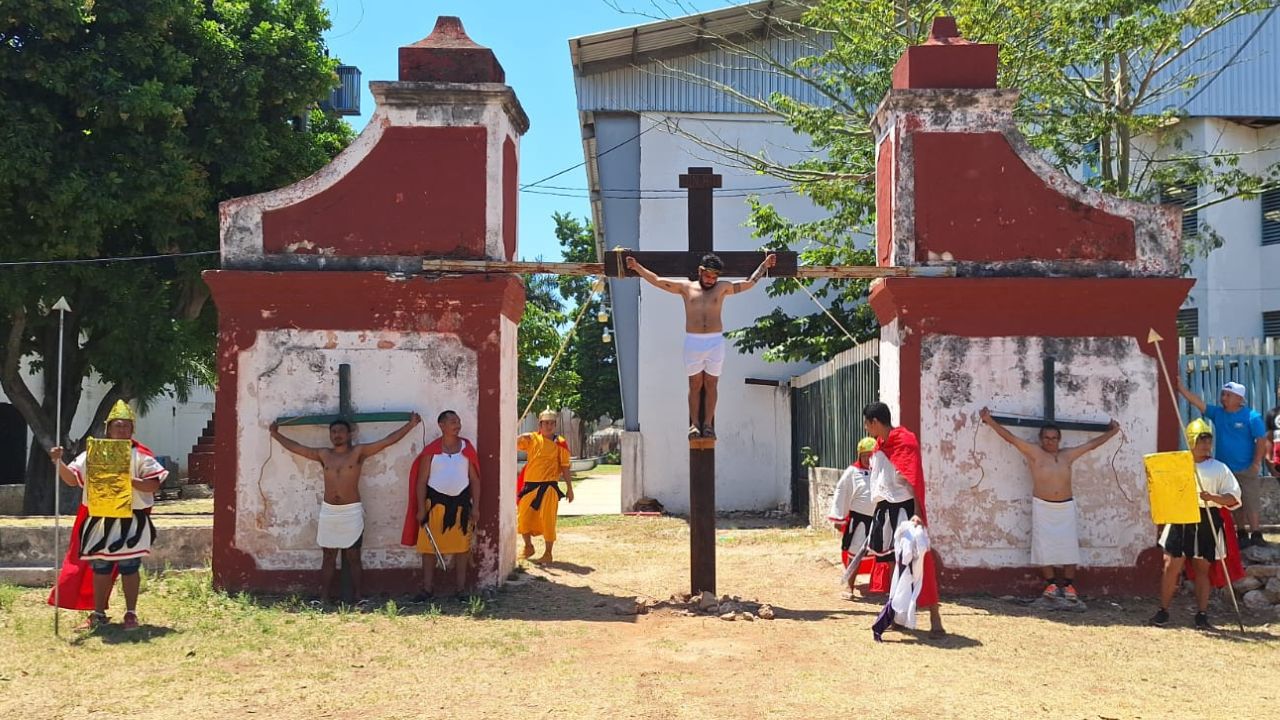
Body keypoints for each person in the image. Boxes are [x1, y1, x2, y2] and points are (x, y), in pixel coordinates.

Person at [270, 413, 421, 605]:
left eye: (341, 431)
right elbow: (298, 448)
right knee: (328, 556)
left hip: (351, 511)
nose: (337, 435)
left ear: (349, 435)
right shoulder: (324, 455)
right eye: (333, 432)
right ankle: (324, 597)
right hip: (329, 512)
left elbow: (387, 441)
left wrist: (411, 425)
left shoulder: (358, 452)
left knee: (353, 556)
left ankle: (358, 597)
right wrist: (275, 434)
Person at [625, 252, 777, 440]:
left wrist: (765, 265)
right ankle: (694, 424)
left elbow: (749, 283)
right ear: (700, 271)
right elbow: (658, 281)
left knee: (712, 383)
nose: (711, 280)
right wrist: (636, 267)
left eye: (714, 277)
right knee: (695, 384)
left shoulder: (722, 288)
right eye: (708, 275)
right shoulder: (686, 288)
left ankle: (708, 425)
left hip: (715, 342)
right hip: (693, 341)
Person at [48, 400, 168, 631]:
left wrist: (127, 479)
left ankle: (131, 614)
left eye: (126, 426)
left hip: (131, 520)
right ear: (109, 429)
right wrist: (58, 461)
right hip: (100, 520)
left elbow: (153, 486)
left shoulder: (140, 456)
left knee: (129, 566)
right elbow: (73, 480)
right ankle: (98, 613)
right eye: (117, 426)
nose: (122, 430)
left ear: (132, 429)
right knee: (100, 567)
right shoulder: (93, 454)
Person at [979, 408, 1121, 600]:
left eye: (1054, 438)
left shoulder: (1067, 455)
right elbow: (1010, 438)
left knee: (1069, 547)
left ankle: (1069, 586)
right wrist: (989, 420)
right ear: (1041, 438)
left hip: (1066, 507)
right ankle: (1051, 585)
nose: (1050, 441)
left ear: (1059, 439)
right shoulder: (1034, 453)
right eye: (1046, 437)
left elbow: (1092, 445)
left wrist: (1113, 431)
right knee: (1043, 547)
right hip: (1043, 506)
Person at [862, 402, 945, 637]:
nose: (867, 428)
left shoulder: (904, 442)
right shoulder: (880, 445)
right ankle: (897, 615)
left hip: (906, 512)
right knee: (892, 566)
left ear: (875, 422)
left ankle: (935, 619)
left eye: (867, 424)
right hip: (886, 512)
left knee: (919, 565)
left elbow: (914, 480)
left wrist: (917, 513)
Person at [1149, 422, 1242, 630]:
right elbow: (1162, 488)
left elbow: (1233, 497)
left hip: (1206, 516)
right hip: (1181, 516)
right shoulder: (1178, 464)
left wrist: (1214, 497)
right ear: (1191, 440)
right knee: (1171, 566)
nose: (1205, 444)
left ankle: (1201, 614)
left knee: (1202, 569)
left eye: (1208, 440)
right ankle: (1163, 611)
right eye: (1201, 440)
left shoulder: (1219, 468)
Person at [1178, 380, 1268, 548]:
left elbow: (1261, 440)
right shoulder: (1218, 413)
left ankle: (1256, 533)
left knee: (1251, 501)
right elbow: (1199, 403)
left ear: (1239, 399)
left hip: (1246, 468)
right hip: (1225, 469)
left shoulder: (1252, 416)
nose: (1223, 398)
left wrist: (1256, 464)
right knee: (1234, 502)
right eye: (1223, 394)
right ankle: (1241, 533)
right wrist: (1182, 390)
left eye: (1228, 395)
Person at [402, 410, 481, 600]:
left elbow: (475, 480)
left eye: (458, 420)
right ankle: (427, 589)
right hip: (434, 506)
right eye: (453, 421)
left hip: (461, 507)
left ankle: (460, 590)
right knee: (429, 549)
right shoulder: (431, 451)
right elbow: (421, 482)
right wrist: (421, 509)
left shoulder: (466, 449)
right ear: (441, 425)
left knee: (462, 549)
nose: (457, 424)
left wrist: (476, 507)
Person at [516, 409, 574, 563]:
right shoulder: (532, 438)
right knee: (523, 518)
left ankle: (548, 553)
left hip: (549, 487)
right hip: (530, 485)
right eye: (546, 423)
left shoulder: (560, 442)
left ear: (555, 425)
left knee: (548, 520)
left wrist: (569, 488)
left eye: (551, 423)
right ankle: (528, 546)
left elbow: (565, 466)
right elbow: (514, 444)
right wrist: (520, 436)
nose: (549, 426)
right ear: (540, 424)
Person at [828, 436, 877, 599]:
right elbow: (842, 491)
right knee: (855, 552)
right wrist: (839, 517)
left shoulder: (881, 471)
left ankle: (883, 587)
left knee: (883, 553)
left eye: (872, 455)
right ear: (859, 456)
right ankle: (850, 586)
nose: (868, 459)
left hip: (878, 519)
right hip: (859, 521)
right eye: (865, 455)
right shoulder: (852, 472)